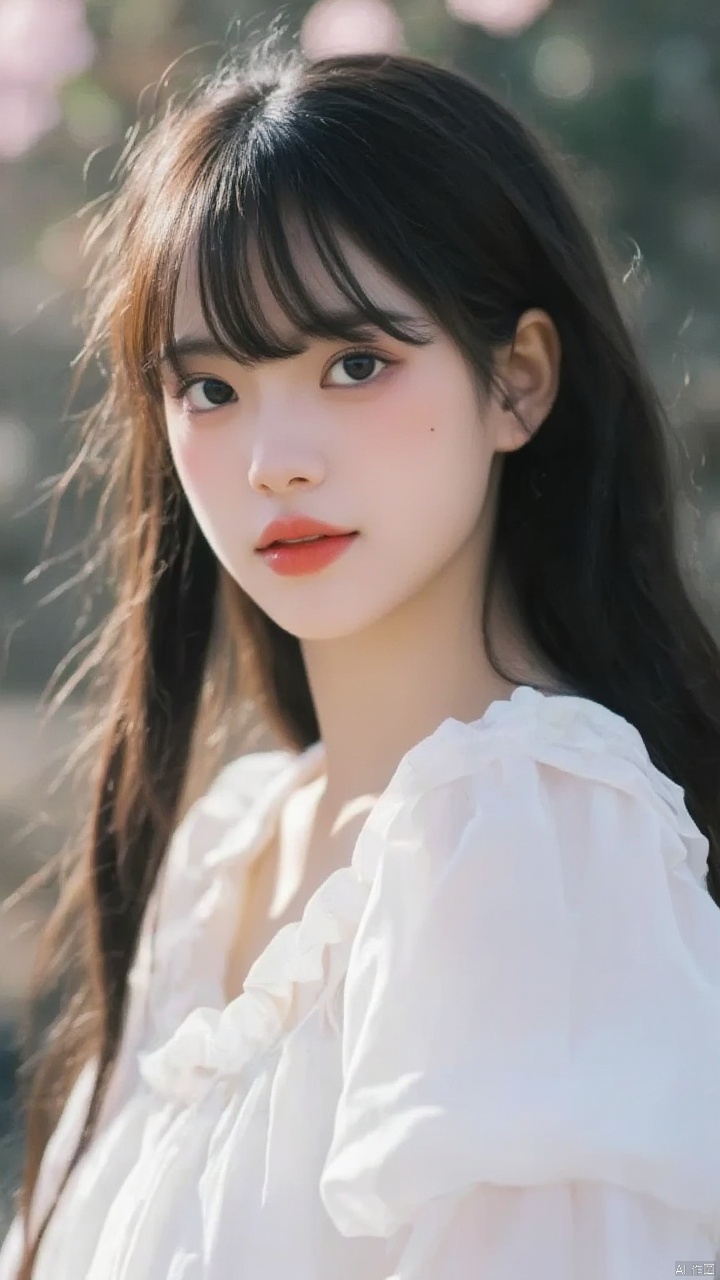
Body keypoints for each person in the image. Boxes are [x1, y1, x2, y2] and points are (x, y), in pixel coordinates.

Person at [3, 30, 720, 1280]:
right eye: (210, 388)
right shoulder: (221, 851)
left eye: (354, 364)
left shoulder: (531, 833)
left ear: (518, 381)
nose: (274, 459)